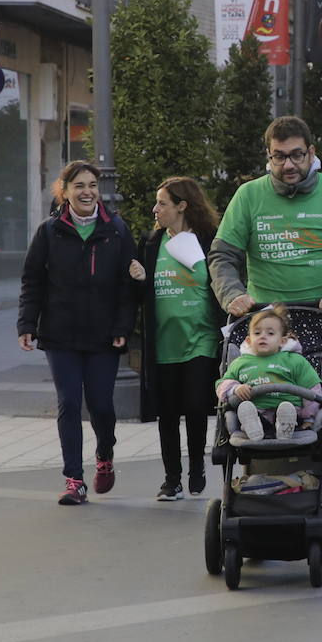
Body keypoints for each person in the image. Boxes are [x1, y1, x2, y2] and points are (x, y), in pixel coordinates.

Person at [18, 161, 139, 506]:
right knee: (69, 403)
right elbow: (33, 281)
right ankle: (74, 480)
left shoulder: (115, 229)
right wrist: (27, 325)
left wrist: (121, 328)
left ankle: (105, 455)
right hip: (60, 335)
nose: (87, 191)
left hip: (104, 337)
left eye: (92, 185)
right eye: (79, 185)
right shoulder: (49, 231)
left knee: (100, 405)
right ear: (65, 190)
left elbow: (126, 286)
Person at [209, 116, 322, 319]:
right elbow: (222, 255)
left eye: (296, 155)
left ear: (311, 152)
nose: (288, 165)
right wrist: (232, 294)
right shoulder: (248, 195)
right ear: (268, 156)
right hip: (266, 320)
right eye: (279, 156)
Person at [130, 177, 223, 501]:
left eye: (162, 204)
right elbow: (141, 295)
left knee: (197, 405)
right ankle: (172, 479)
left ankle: (196, 464)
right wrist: (139, 281)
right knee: (167, 412)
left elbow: (221, 283)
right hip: (163, 343)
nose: (155, 210)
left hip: (201, 338)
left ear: (182, 205)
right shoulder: (152, 243)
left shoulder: (208, 240)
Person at [216, 305, 322, 441]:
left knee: (287, 409)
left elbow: (312, 388)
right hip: (257, 409)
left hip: (290, 410)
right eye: (257, 333)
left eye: (270, 333)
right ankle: (253, 427)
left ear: (282, 340)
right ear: (248, 340)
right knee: (247, 409)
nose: (263, 337)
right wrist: (235, 388)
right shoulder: (240, 362)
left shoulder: (295, 360)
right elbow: (222, 385)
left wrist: (309, 416)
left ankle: (285, 427)